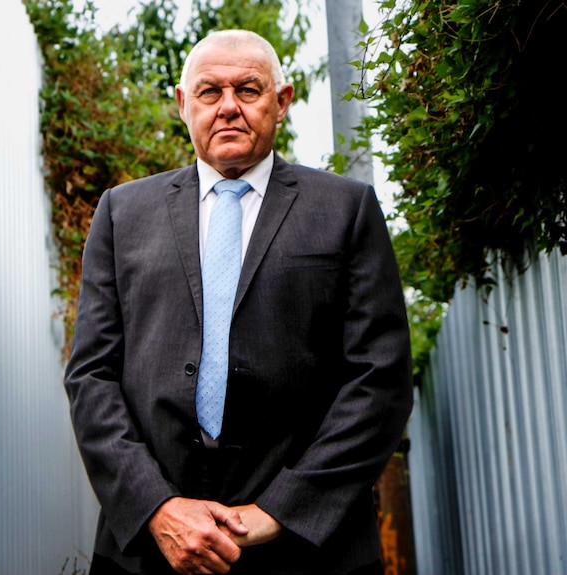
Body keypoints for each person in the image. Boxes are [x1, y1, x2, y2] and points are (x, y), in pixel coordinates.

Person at [64, 29, 413, 575]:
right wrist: (158, 508)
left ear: (282, 101)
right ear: (183, 104)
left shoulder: (347, 210)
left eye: (248, 89)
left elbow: (380, 379)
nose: (228, 107)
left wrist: (283, 510)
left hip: (312, 550)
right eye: (209, 92)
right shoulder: (121, 214)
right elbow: (91, 376)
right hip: (151, 551)